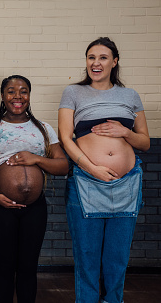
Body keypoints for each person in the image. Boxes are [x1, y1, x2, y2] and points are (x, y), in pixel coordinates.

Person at [58, 37, 150, 303]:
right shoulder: (73, 93)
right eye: (91, 57)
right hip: (87, 181)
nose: (95, 63)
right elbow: (66, 138)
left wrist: (125, 132)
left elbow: (144, 141)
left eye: (102, 57)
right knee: (87, 255)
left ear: (115, 62)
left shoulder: (130, 95)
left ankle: (113, 300)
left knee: (117, 256)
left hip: (127, 182)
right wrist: (91, 168)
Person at [0, 75, 69, 303]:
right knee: (4, 265)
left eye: (23, 91)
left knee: (28, 266)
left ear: (29, 96)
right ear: (3, 97)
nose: (17, 96)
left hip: (34, 208)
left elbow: (63, 166)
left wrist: (36, 159)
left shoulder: (43, 128)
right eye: (11, 91)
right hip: (0, 207)